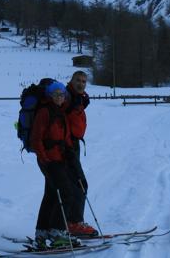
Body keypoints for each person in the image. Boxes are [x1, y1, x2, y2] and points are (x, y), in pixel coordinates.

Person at [30, 80, 80, 249]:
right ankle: (57, 231)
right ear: (50, 95)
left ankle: (42, 231)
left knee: (51, 194)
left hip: (59, 159)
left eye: (62, 94)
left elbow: (64, 137)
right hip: (49, 161)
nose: (60, 97)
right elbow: (36, 139)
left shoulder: (60, 113)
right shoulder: (44, 112)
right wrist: (45, 159)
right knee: (67, 193)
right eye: (56, 94)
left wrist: (70, 153)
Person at [64, 71, 98, 237]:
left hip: (73, 145)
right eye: (78, 80)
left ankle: (62, 224)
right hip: (66, 147)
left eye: (84, 81)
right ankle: (74, 223)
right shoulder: (67, 98)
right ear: (71, 80)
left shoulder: (77, 98)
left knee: (70, 185)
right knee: (79, 184)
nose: (81, 83)